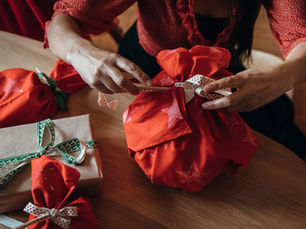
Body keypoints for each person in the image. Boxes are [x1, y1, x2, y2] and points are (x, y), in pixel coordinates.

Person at [46, 0, 306, 158]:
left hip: (218, 78)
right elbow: (63, 21)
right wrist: (80, 53)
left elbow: (300, 36)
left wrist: (286, 74)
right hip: (143, 77)